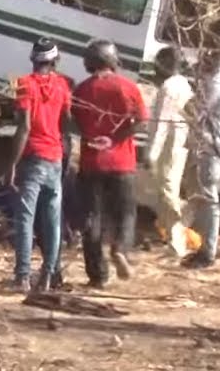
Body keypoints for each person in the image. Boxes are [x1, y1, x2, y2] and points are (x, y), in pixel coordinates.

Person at [70, 39, 149, 288]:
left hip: (91, 163)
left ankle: (98, 276)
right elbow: (140, 121)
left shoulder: (81, 90)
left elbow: (76, 123)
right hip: (122, 162)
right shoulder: (128, 87)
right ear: (112, 60)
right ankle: (120, 249)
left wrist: (94, 137)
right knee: (126, 213)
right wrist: (115, 139)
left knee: (91, 218)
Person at [4, 38, 72, 292]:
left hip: (33, 157)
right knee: (52, 221)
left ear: (33, 60)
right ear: (54, 61)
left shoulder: (25, 84)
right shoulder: (63, 85)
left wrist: (12, 164)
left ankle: (22, 276)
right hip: (55, 157)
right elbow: (66, 121)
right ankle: (47, 275)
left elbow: (25, 127)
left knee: (25, 218)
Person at [185, 48, 220, 270]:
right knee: (202, 196)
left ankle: (208, 252)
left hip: (210, 145)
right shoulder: (213, 80)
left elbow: (196, 111)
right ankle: (204, 247)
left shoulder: (216, 84)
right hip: (206, 143)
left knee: (209, 197)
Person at [147, 46, 194, 258]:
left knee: (167, 191)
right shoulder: (183, 83)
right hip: (179, 143)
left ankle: (177, 242)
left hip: (168, 145)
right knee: (168, 190)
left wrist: (151, 154)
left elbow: (161, 124)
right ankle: (173, 237)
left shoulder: (168, 87)